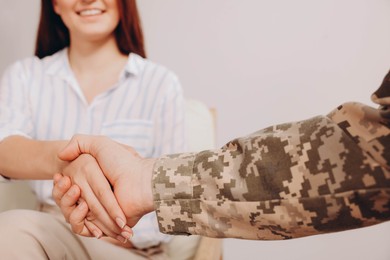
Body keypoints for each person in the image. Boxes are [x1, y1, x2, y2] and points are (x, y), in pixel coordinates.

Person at [53, 70, 390, 240]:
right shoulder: (27, 76)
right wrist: (140, 181)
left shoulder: (159, 81)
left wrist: (143, 182)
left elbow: (371, 154)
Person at [0, 0, 192, 259]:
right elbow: (4, 148)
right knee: (12, 229)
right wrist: (67, 162)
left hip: (134, 250)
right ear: (54, 5)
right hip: (52, 237)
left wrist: (108, 225)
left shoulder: (160, 84)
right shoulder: (25, 76)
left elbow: (177, 195)